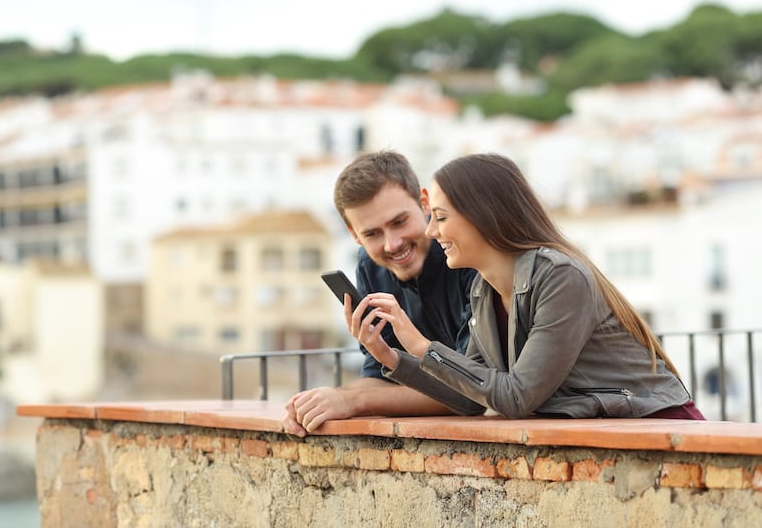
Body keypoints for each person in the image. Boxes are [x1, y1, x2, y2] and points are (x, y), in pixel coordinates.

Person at [354, 153, 704, 420]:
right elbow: (468, 399)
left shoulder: (561, 277)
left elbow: (518, 396)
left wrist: (419, 344)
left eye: (441, 218)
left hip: (659, 429)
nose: (432, 232)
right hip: (609, 439)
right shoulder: (484, 290)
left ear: (482, 216)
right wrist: (393, 357)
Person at [282, 150, 477, 436]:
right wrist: (317, 402)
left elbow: (471, 391)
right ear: (354, 235)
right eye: (372, 234)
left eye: (399, 222)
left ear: (425, 203)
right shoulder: (369, 266)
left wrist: (351, 400)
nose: (392, 244)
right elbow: (379, 376)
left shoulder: (466, 254)